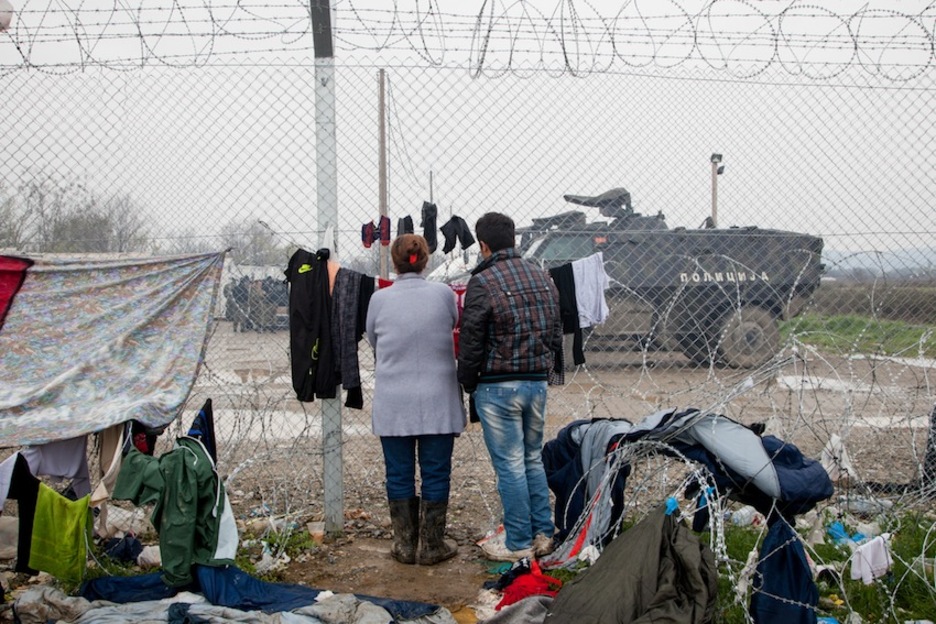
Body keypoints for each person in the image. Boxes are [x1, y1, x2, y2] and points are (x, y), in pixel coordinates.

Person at [457, 212, 563, 562]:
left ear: (483, 245)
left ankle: (517, 541)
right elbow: (553, 330)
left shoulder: (483, 281)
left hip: (497, 385)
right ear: (513, 239)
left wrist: (468, 382)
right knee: (532, 458)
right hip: (535, 382)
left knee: (510, 465)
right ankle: (543, 534)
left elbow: (471, 339)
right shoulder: (542, 275)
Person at [366, 234, 466, 565]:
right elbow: (452, 325)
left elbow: (374, 341)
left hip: (394, 400)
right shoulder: (444, 294)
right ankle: (432, 545)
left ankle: (405, 545)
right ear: (425, 260)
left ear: (394, 262)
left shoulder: (379, 299)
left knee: (399, 473)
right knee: (436, 471)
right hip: (438, 397)